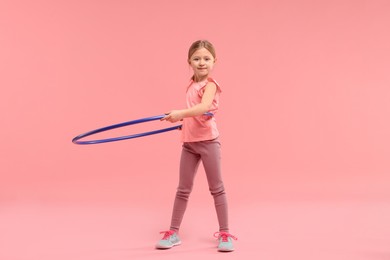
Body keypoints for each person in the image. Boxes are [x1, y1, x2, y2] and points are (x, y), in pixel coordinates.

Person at [156, 40, 237, 252]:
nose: (202, 62)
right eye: (197, 58)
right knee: (182, 189)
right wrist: (183, 122)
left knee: (217, 188)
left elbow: (202, 108)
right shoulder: (191, 84)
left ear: (214, 61)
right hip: (189, 144)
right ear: (189, 62)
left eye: (207, 59)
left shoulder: (211, 85)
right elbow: (194, 113)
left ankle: (225, 233)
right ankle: (173, 232)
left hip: (209, 142)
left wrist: (179, 114)